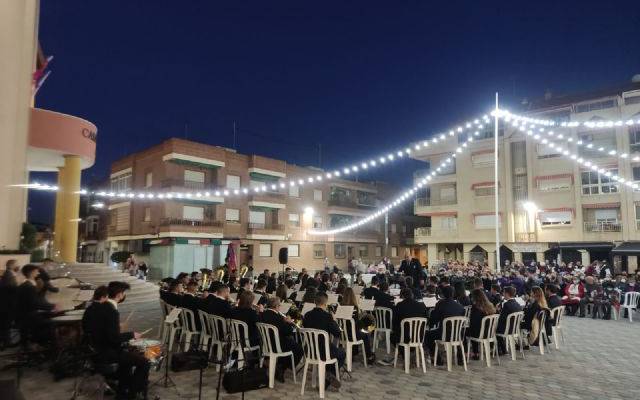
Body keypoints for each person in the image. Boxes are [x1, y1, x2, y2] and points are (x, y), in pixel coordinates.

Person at [83, 281, 149, 400]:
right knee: (144, 362)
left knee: (127, 360)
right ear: (119, 294)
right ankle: (131, 393)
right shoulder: (112, 311)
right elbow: (114, 339)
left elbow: (94, 329)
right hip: (106, 353)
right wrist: (132, 334)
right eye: (123, 293)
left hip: (93, 351)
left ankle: (122, 391)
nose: (124, 296)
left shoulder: (93, 307)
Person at [302, 292, 344, 391]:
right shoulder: (327, 316)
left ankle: (328, 373)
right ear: (325, 303)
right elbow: (337, 333)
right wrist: (333, 320)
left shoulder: (307, 315)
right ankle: (329, 377)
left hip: (309, 351)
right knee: (341, 353)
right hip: (324, 351)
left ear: (314, 302)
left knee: (332, 350)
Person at [260, 297, 303, 382]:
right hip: (277, 345)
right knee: (299, 349)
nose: (280, 307)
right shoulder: (277, 317)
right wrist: (289, 322)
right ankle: (282, 367)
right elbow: (288, 331)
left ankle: (279, 364)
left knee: (291, 343)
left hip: (265, 344)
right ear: (276, 306)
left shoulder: (263, 314)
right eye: (279, 305)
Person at [16, 264, 59, 347]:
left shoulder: (25, 284)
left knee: (48, 315)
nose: (38, 273)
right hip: (28, 316)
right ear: (31, 273)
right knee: (52, 322)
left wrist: (49, 307)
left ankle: (39, 341)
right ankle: (48, 345)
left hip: (24, 314)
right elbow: (34, 303)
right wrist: (52, 306)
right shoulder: (29, 287)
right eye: (36, 271)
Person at [426, 286, 464, 359]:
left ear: (442, 294)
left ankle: (436, 358)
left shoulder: (440, 304)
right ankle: (460, 358)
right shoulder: (460, 306)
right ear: (453, 294)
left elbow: (434, 319)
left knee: (428, 335)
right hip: (458, 334)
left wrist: (430, 325)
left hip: (444, 334)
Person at [340, 288, 375, 363]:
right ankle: (369, 355)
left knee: (359, 330)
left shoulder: (340, 306)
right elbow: (356, 324)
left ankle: (354, 352)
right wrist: (361, 316)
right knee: (365, 333)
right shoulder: (354, 307)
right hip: (352, 334)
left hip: (343, 333)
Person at [467, 289, 496, 360]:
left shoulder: (475, 307)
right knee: (475, 328)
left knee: (466, 331)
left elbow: (473, 323)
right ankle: (490, 348)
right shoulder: (490, 305)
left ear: (474, 298)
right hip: (490, 333)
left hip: (480, 334)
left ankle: (475, 352)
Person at [0, 259, 21, 348]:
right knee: (6, 324)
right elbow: (12, 288)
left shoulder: (10, 274)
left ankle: (5, 342)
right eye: (17, 264)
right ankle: (6, 343)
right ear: (11, 265)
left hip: (7, 303)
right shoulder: (9, 275)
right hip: (7, 304)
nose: (18, 266)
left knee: (5, 324)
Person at [496, 286, 522, 354]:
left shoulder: (506, 304)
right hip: (515, 328)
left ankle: (501, 349)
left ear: (507, 294)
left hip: (507, 329)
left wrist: (498, 311)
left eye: (504, 293)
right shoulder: (518, 304)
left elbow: (501, 319)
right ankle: (503, 349)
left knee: (494, 329)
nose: (503, 295)